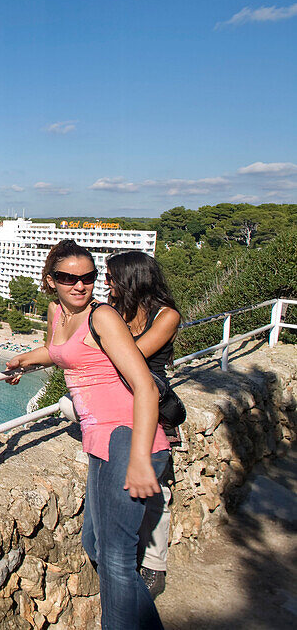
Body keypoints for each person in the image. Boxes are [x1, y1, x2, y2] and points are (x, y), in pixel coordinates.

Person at [6, 240, 168, 629]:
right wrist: (23, 361)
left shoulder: (104, 317)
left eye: (89, 277)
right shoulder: (57, 313)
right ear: (51, 281)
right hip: (99, 439)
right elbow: (60, 353)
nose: (80, 286)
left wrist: (140, 459)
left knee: (115, 558)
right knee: (95, 544)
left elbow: (145, 387)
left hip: (127, 437)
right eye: (69, 278)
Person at [104, 251, 182, 599]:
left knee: (155, 492)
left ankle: (155, 566)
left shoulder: (166, 316)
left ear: (130, 279)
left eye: (110, 277)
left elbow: (133, 355)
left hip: (150, 402)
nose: (106, 284)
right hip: (119, 401)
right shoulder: (117, 312)